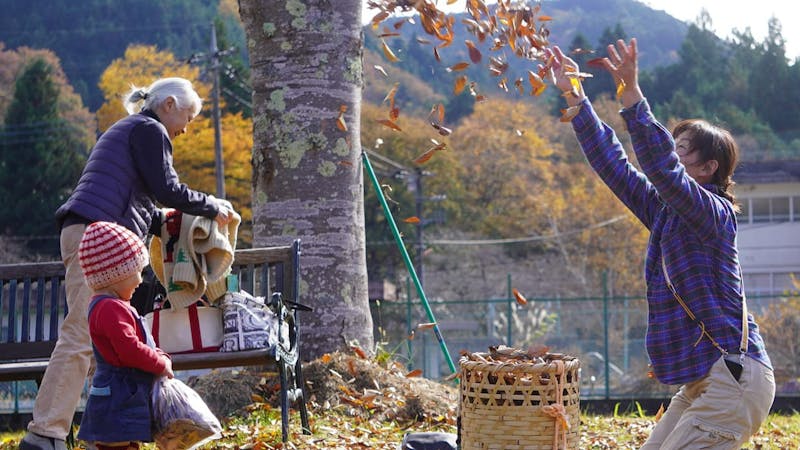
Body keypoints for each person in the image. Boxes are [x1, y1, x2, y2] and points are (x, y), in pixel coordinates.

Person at [547, 39, 775, 448]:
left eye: (680, 149)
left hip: (734, 379)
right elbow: (615, 166)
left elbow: (662, 169)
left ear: (708, 168)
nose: (671, 153)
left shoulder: (713, 215)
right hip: (705, 380)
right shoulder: (665, 212)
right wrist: (574, 96)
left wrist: (632, 95)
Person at [20, 77, 234, 450]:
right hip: (97, 237)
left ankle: (91, 434)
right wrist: (211, 205)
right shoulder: (149, 129)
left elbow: (141, 201)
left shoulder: (130, 130)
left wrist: (163, 220)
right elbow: (168, 188)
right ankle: (45, 434)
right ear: (169, 104)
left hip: (87, 230)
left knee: (97, 341)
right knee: (82, 334)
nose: (187, 127)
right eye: (188, 116)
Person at [75, 221, 174, 450]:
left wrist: (160, 354)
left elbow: (138, 342)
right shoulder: (109, 308)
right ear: (115, 275)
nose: (140, 281)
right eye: (136, 272)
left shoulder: (110, 305)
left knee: (127, 443)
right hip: (117, 399)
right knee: (117, 443)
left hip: (123, 395)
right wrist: (159, 364)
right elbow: (129, 349)